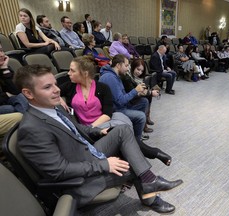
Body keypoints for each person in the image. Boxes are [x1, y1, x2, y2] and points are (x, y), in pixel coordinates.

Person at [13, 64, 183, 214]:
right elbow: (59, 170)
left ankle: (149, 182)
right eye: (48, 87)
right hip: (78, 181)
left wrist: (96, 132)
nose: (57, 89)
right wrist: (104, 164)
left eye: (55, 84)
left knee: (122, 130)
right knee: (133, 161)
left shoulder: (54, 107)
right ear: (28, 93)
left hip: (85, 153)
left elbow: (77, 129)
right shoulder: (32, 129)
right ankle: (150, 192)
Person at [60, 56, 171, 166]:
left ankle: (147, 158)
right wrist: (59, 98)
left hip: (101, 124)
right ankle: (153, 153)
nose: (68, 73)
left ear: (85, 73)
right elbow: (51, 89)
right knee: (125, 133)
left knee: (125, 134)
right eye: (126, 65)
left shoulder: (102, 87)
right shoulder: (70, 86)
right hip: (86, 131)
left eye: (72, 70)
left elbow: (108, 113)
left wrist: (92, 127)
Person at [99, 54, 149, 140]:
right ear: (118, 65)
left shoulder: (116, 76)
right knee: (141, 116)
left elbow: (122, 96)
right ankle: (136, 141)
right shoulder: (110, 78)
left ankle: (136, 131)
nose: (128, 68)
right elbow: (120, 101)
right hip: (116, 110)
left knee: (144, 101)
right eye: (126, 65)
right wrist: (135, 90)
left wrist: (138, 93)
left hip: (121, 106)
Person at [121, 59, 158, 130]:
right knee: (146, 99)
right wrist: (149, 92)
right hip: (128, 101)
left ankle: (146, 118)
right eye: (138, 69)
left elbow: (140, 89)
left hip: (133, 97)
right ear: (133, 66)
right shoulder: (127, 77)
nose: (139, 72)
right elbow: (133, 93)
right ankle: (143, 122)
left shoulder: (136, 77)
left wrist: (148, 91)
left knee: (149, 96)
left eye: (141, 71)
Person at [0, 43, 28, 115]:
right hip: (4, 103)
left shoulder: (5, 68)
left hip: (7, 100)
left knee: (21, 98)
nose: (2, 55)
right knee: (11, 108)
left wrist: (5, 69)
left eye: (1, 50)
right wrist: (6, 95)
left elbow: (16, 91)